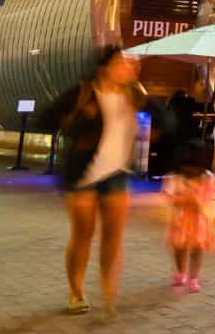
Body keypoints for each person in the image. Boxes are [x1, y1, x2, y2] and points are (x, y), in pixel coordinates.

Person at [50, 46, 145, 318]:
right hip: (84, 176)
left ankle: (108, 292)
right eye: (121, 63)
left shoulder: (134, 96)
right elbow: (47, 118)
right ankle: (76, 292)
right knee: (83, 235)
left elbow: (166, 122)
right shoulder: (83, 93)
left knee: (113, 237)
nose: (128, 68)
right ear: (105, 66)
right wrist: (79, 124)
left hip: (117, 174)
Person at [164, 137, 215, 293]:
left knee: (197, 249)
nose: (191, 171)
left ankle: (193, 277)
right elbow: (169, 197)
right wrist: (182, 199)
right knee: (179, 248)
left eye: (195, 167)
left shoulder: (207, 177)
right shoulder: (175, 177)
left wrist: (195, 200)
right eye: (187, 167)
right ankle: (181, 272)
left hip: (199, 220)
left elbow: (207, 198)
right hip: (179, 220)